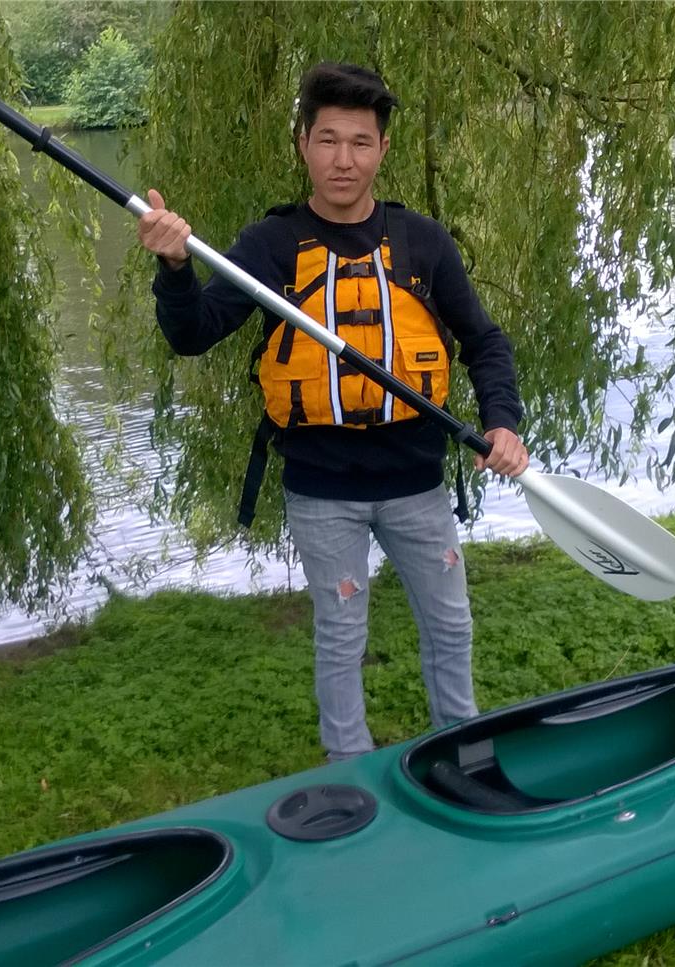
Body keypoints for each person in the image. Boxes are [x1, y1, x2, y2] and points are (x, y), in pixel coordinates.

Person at [138, 62, 528, 762]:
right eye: (327, 140)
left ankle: (468, 760)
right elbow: (193, 332)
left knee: (451, 626)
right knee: (341, 637)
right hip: (322, 492)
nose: (342, 160)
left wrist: (502, 420)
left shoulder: (423, 242)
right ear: (303, 144)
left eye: (359, 142)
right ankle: (350, 777)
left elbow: (484, 341)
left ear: (382, 149)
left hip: (417, 486)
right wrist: (174, 268)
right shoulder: (270, 246)